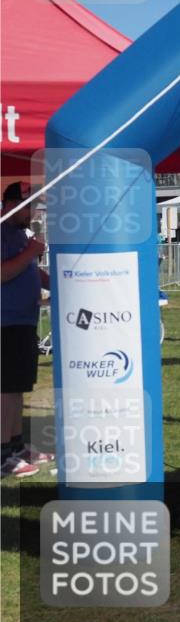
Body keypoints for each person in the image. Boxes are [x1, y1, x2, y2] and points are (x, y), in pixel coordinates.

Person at [1, 182, 54, 478]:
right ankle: (3, 455)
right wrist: (32, 251)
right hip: (5, 323)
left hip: (23, 321)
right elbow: (4, 272)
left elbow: (30, 270)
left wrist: (58, 280)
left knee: (17, 389)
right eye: (29, 206)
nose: (33, 213)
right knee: (5, 392)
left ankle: (16, 447)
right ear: (11, 203)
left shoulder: (21, 234)